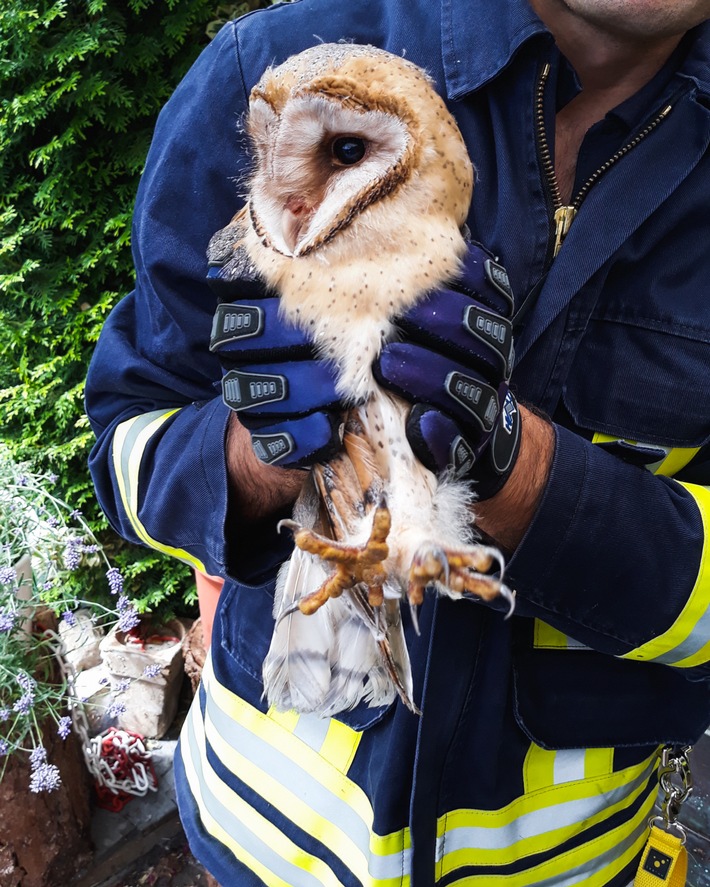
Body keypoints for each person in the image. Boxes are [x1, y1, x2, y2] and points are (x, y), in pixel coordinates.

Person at [85, 0, 710, 884]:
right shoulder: (271, 63)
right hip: (263, 839)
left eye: (347, 156)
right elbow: (126, 441)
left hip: (570, 858)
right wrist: (259, 454)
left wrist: (523, 473)